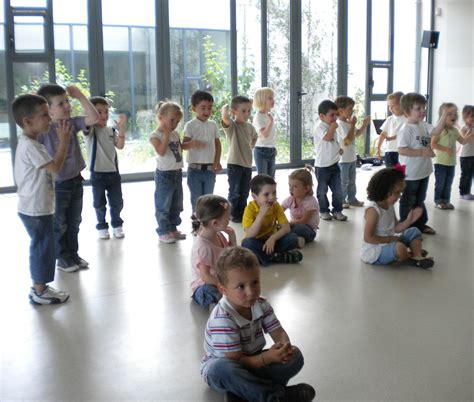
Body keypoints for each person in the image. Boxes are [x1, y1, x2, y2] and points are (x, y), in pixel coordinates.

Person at [201, 246, 316, 402]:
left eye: (255, 282)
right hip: (230, 367)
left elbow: (278, 332)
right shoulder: (223, 319)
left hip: (253, 361)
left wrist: (284, 347)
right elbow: (236, 360)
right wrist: (266, 359)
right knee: (222, 369)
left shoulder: (261, 304)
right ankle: (277, 397)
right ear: (223, 289)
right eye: (241, 286)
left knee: (296, 356)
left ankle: (245, 393)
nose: (251, 292)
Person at [13, 94, 71, 304]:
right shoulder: (31, 146)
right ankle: (39, 290)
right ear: (28, 121)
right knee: (43, 248)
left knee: (45, 246)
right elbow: (55, 167)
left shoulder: (32, 142)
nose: (50, 119)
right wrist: (64, 141)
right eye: (45, 115)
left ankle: (41, 287)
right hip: (35, 209)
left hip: (37, 207)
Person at [37, 84, 99, 272]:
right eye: (60, 103)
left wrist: (80, 95)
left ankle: (73, 253)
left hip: (75, 179)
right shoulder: (44, 130)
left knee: (74, 221)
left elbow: (94, 117)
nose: (66, 106)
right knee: (59, 223)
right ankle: (62, 256)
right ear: (48, 110)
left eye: (67, 101)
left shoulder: (71, 123)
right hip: (57, 184)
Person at [361, 167, 434, 269]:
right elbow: (368, 238)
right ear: (386, 192)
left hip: (391, 242)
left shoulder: (389, 205)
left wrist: (409, 221)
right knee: (400, 247)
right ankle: (411, 259)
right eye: (397, 192)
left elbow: (396, 228)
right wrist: (391, 239)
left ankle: (418, 256)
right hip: (375, 251)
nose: (400, 196)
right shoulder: (373, 210)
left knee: (414, 231)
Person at [397, 93, 444, 235]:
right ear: (407, 112)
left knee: (420, 199)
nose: (423, 111)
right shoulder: (406, 129)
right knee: (408, 200)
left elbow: (436, 131)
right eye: (418, 108)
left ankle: (420, 224)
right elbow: (402, 149)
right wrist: (422, 153)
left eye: (424, 108)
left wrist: (444, 116)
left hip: (424, 171)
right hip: (411, 173)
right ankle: (406, 225)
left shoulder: (424, 125)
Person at [84, 96, 126, 239]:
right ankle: (102, 226)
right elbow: (87, 126)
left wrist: (121, 130)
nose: (103, 115)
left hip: (113, 173)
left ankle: (117, 224)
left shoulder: (110, 130)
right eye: (99, 112)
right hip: (97, 173)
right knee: (99, 203)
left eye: (106, 111)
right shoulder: (90, 130)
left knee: (117, 201)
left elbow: (120, 146)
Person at [241, 174, 303, 266]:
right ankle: (276, 257)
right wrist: (261, 215)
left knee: (292, 238)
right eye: (266, 194)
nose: (272, 197)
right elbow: (250, 235)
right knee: (247, 243)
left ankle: (265, 257)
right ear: (254, 196)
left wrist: (272, 238)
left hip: (272, 241)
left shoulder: (276, 206)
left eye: (274, 193)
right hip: (256, 242)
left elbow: (286, 228)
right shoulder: (249, 209)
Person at [149, 101, 188, 244]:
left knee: (176, 204)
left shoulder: (175, 134)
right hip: (164, 175)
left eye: (177, 122)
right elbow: (161, 151)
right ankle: (163, 231)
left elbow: (179, 149)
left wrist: (191, 144)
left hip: (177, 173)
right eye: (171, 120)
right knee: (163, 205)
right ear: (160, 117)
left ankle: (172, 228)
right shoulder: (155, 135)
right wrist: (166, 134)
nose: (174, 124)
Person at [190, 195, 236, 311]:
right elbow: (206, 277)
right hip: (204, 285)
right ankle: (217, 308)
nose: (229, 219)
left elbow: (232, 256)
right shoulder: (203, 247)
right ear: (215, 223)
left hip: (220, 278)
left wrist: (232, 236)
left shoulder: (218, 234)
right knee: (210, 290)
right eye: (227, 217)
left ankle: (226, 299)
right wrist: (224, 284)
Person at [183, 90, 222, 215]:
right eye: (203, 108)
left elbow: (218, 144)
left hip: (210, 169)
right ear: (194, 109)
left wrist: (217, 162)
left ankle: (206, 220)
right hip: (194, 170)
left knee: (209, 198)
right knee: (196, 198)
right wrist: (193, 143)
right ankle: (197, 221)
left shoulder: (213, 125)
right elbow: (183, 145)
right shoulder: (190, 125)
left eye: (209, 108)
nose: (207, 111)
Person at [221, 96, 258, 223]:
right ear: (234, 112)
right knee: (234, 192)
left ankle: (241, 213)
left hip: (247, 165)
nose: (247, 114)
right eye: (243, 111)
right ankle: (230, 213)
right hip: (234, 164)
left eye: (249, 111)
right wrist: (225, 112)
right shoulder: (233, 126)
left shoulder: (250, 127)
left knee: (244, 191)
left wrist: (252, 144)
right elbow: (225, 119)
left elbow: (255, 136)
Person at [431, 103, 472, 209]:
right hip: (440, 161)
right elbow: (433, 144)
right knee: (440, 183)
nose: (453, 116)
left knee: (448, 183)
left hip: (451, 162)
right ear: (442, 116)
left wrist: (469, 136)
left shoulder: (455, 131)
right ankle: (439, 201)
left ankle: (446, 201)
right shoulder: (439, 130)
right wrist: (445, 149)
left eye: (455, 113)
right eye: (449, 114)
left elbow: (462, 141)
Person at [314, 99, 347, 221]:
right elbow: (327, 138)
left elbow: (334, 141)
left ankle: (337, 210)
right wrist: (333, 127)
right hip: (322, 166)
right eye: (331, 115)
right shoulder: (320, 126)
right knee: (322, 191)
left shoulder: (332, 126)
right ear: (322, 116)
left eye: (336, 115)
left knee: (338, 190)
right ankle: (323, 210)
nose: (334, 118)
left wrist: (339, 149)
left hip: (335, 164)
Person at [335, 95, 370, 208]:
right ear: (340, 110)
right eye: (350, 108)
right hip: (343, 159)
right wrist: (353, 125)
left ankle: (351, 198)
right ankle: (342, 200)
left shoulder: (348, 123)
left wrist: (364, 124)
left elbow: (357, 134)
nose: (352, 111)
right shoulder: (339, 124)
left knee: (352, 181)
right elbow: (347, 140)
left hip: (351, 158)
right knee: (343, 182)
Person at [281, 167, 320, 247]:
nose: (290, 189)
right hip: (293, 226)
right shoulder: (290, 199)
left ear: (306, 188)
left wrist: (287, 224)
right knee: (281, 228)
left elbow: (303, 221)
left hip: (308, 230)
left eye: (295, 187)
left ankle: (292, 238)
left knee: (299, 229)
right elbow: (279, 211)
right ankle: (296, 240)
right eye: (289, 185)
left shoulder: (311, 202)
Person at [252, 87, 277, 177]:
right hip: (261, 150)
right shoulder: (258, 117)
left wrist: (273, 147)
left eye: (273, 98)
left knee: (271, 178)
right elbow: (264, 134)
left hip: (271, 150)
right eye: (270, 98)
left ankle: (271, 191)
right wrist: (270, 122)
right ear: (262, 100)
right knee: (263, 179)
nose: (273, 100)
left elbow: (271, 135)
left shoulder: (269, 115)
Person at [377, 91, 405, 167]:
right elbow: (383, 134)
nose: (390, 108)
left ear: (401, 105)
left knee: (403, 175)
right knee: (391, 175)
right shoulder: (389, 119)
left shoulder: (407, 119)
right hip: (390, 151)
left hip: (403, 151)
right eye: (389, 106)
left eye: (392, 105)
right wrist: (378, 148)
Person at [458, 105, 474, 200]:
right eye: (471, 116)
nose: (473, 118)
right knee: (466, 174)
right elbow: (463, 139)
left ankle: (468, 191)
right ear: (465, 117)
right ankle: (464, 193)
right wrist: (470, 132)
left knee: (471, 175)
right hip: (466, 155)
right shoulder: (463, 128)